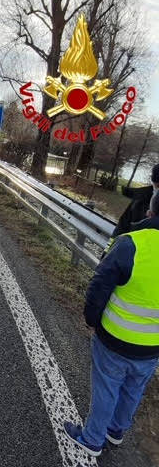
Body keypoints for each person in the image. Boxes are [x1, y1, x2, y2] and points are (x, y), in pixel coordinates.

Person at [63, 192, 159, 456]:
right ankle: (116, 431)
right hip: (153, 348)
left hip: (116, 338)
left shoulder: (131, 243)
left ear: (149, 212)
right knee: (134, 388)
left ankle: (92, 439)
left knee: (108, 388)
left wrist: (92, 319)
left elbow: (99, 286)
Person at [111, 163, 159, 237]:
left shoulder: (141, 197)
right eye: (158, 186)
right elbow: (122, 226)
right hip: (129, 244)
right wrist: (111, 246)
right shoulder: (140, 199)